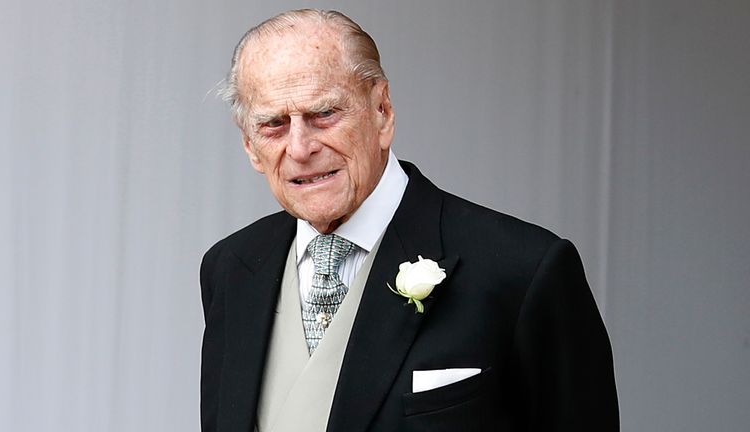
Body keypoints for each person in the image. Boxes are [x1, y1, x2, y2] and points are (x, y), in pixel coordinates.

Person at [200, 9, 618, 432]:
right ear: (250, 145)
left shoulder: (524, 271)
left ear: (382, 111)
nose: (301, 147)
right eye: (273, 124)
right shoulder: (230, 268)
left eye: (323, 114)